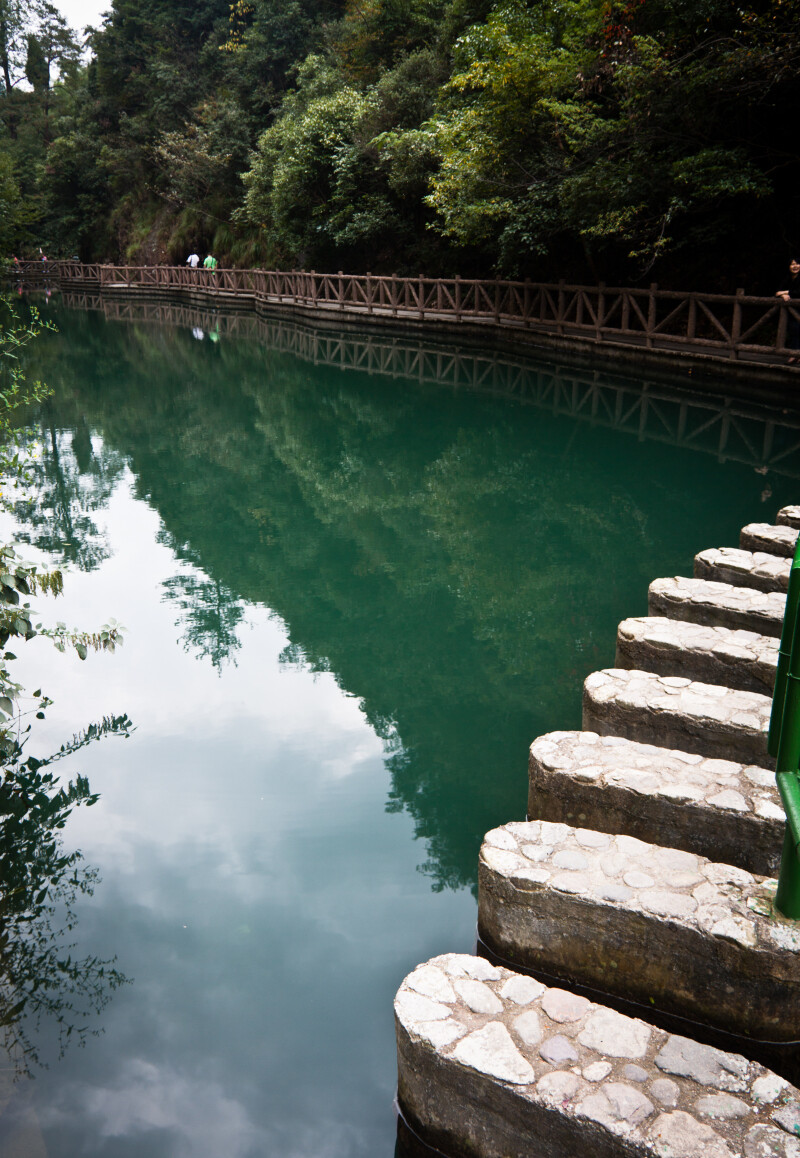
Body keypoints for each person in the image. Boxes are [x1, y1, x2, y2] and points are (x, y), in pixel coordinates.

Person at [777, 257, 800, 364]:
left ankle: (796, 355)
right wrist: (783, 295)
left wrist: (787, 292)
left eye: (797, 264)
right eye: (792, 264)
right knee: (793, 331)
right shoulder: (787, 278)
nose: (795, 266)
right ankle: (794, 354)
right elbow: (777, 292)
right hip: (792, 311)